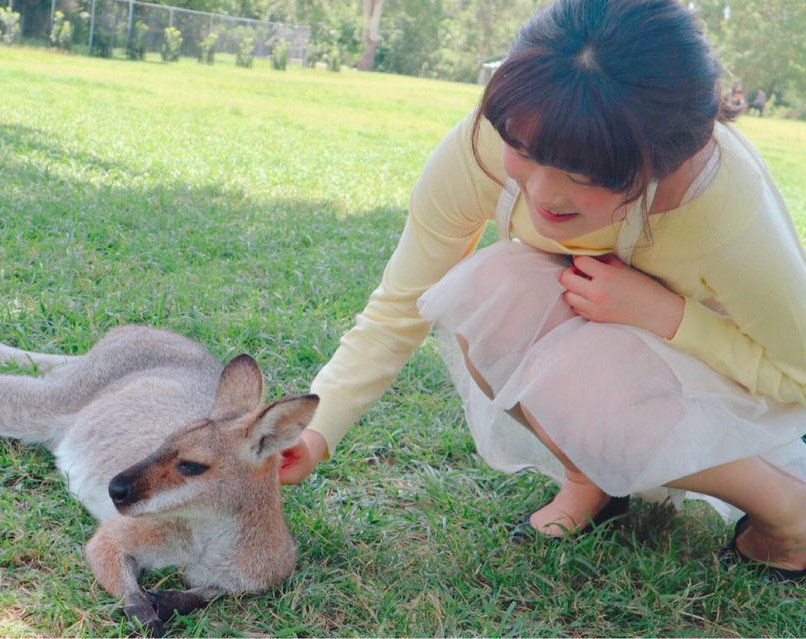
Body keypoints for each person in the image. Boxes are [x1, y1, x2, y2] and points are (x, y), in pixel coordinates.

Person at [280, 0, 806, 581]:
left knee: (587, 375)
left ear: (668, 155)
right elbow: (402, 300)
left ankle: (789, 513)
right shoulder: (482, 149)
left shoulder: (722, 208)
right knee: (488, 288)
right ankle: (591, 479)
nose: (544, 195)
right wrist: (317, 430)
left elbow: (799, 375)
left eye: (585, 173)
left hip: (726, 379)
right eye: (524, 153)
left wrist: (671, 316)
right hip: (610, 348)